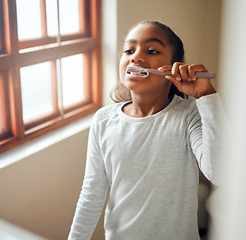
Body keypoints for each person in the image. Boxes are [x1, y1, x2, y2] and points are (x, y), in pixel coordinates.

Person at [68, 20, 225, 240]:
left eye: (151, 50)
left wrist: (206, 96)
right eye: (129, 50)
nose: (136, 58)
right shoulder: (103, 120)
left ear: (175, 67)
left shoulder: (189, 115)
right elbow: (91, 194)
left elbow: (221, 173)